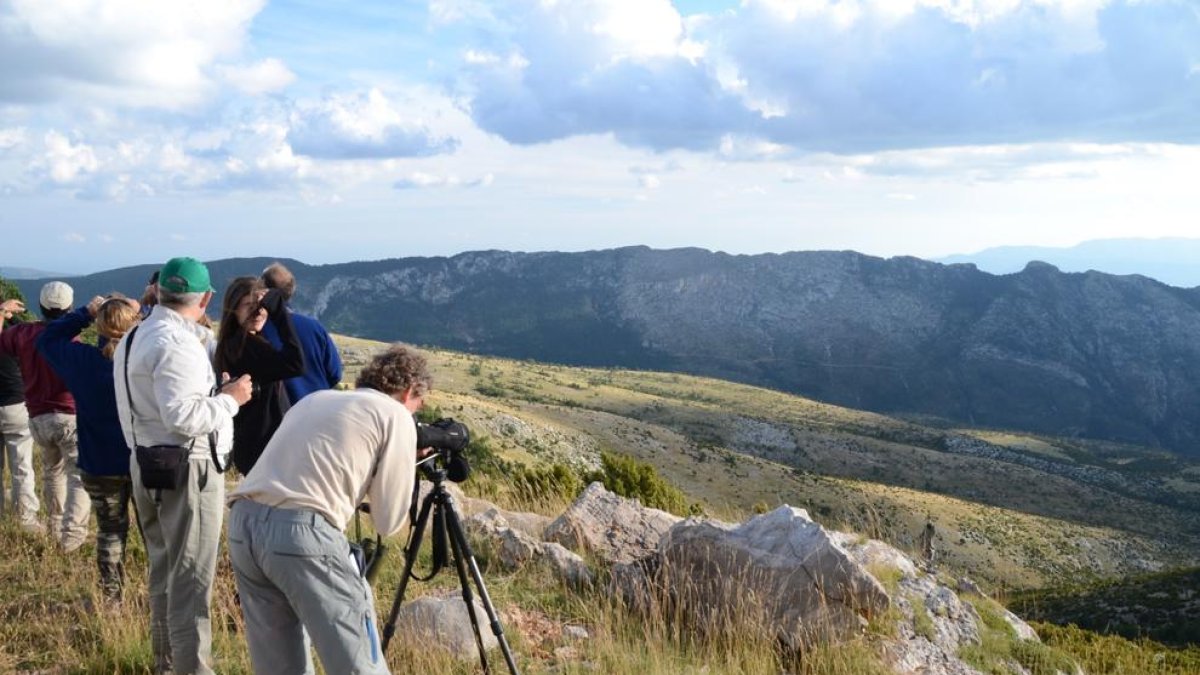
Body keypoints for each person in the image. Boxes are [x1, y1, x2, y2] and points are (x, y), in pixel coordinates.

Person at [227, 344, 428, 675]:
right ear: (409, 391)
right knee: (360, 665)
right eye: (419, 405)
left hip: (243, 523)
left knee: (279, 668)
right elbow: (388, 521)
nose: (417, 413)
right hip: (302, 534)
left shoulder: (316, 399)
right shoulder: (395, 416)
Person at [114, 257, 253, 675]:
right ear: (206, 297)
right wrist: (232, 399)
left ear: (159, 292)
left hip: (146, 462)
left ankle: (166, 662)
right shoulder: (175, 345)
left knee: (164, 571)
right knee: (192, 579)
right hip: (187, 469)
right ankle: (191, 669)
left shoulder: (136, 334)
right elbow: (184, 417)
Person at [37, 294, 141, 600]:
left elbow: (47, 340)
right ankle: (161, 597)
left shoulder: (81, 361)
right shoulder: (143, 359)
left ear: (99, 327)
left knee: (110, 531)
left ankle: (112, 599)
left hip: (99, 462)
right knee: (156, 534)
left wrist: (84, 312)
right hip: (144, 461)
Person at [0, 281, 90, 550]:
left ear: (40, 306)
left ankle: (54, 525)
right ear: (70, 307)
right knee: (77, 476)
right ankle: (71, 537)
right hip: (67, 414)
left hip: (37, 416)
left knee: (52, 473)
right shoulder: (71, 339)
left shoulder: (22, 334)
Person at [213, 276, 305, 475]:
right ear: (234, 309)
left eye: (262, 306)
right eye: (248, 305)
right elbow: (296, 364)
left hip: (254, 444)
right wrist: (280, 315)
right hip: (264, 446)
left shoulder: (236, 343)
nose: (257, 312)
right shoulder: (245, 347)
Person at [261, 262, 343, 401]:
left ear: (264, 291)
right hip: (318, 408)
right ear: (291, 291)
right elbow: (335, 373)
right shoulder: (315, 327)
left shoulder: (258, 329)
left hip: (278, 415)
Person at [0, 296, 39, 532]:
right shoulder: (16, 337)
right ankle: (25, 518)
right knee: (22, 466)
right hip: (15, 404)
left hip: (14, 403)